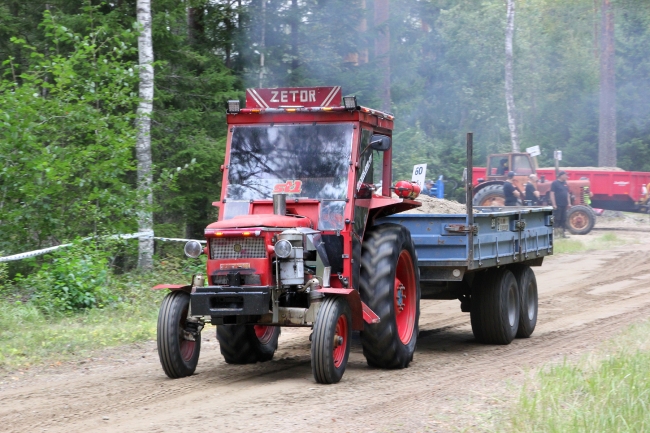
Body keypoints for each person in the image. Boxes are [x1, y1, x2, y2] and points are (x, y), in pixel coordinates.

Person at [550, 171, 572, 238]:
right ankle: (556, 234)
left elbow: (567, 194)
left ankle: (562, 234)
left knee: (563, 219)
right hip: (558, 204)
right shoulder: (555, 183)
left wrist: (569, 203)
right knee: (557, 219)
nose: (566, 177)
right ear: (561, 176)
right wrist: (554, 204)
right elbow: (552, 194)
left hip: (564, 205)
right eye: (565, 175)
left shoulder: (565, 183)